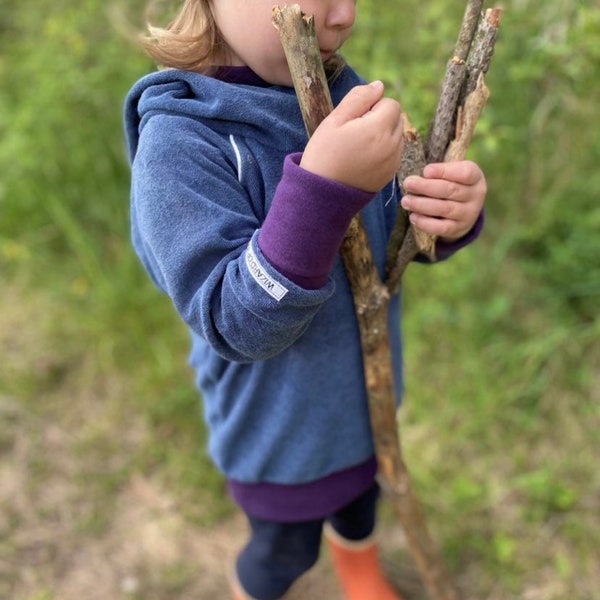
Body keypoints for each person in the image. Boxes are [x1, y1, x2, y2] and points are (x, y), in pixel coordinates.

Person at [124, 0, 487, 598]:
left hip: (365, 407)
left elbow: (381, 242)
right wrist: (322, 190)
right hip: (281, 438)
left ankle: (360, 571)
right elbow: (234, 319)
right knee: (281, 556)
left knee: (360, 508)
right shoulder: (181, 146)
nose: (342, 15)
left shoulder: (334, 90)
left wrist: (442, 217)